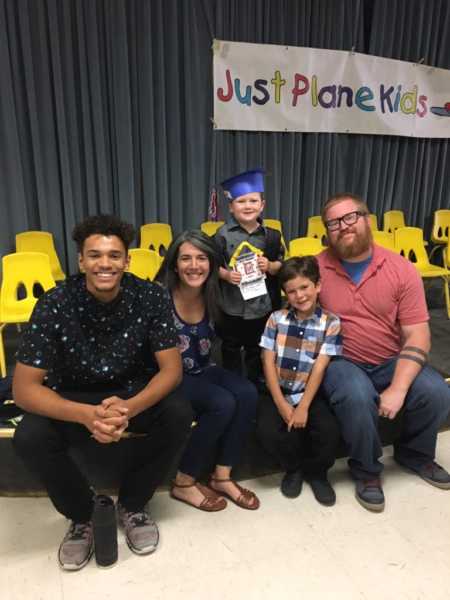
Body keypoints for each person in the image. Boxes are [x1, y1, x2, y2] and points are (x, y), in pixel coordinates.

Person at [13, 215, 192, 571]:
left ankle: (133, 506)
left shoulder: (151, 296)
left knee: (178, 413)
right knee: (28, 436)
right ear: (80, 260)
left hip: (130, 392)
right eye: (95, 255)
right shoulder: (54, 302)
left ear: (127, 260)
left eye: (114, 255)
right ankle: (83, 515)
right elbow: (23, 389)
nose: (105, 263)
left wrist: (129, 406)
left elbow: (172, 370)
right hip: (71, 396)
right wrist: (85, 414)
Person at [317, 193, 450, 512]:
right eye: (334, 223)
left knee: (436, 391)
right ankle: (366, 470)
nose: (343, 227)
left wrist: (399, 388)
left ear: (367, 219)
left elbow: (418, 333)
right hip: (341, 360)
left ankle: (415, 454)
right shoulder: (316, 268)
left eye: (350, 217)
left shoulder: (401, 268)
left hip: (390, 359)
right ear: (327, 231)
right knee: (356, 394)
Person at [156, 230, 260, 511]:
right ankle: (183, 481)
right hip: (169, 375)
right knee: (222, 403)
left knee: (248, 393)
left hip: (203, 367)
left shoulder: (215, 293)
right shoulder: (158, 297)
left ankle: (221, 477)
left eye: (202, 258)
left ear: (212, 263)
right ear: (174, 264)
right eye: (186, 258)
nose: (194, 265)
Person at [257, 256, 342, 505]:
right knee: (268, 431)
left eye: (304, 287)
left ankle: (317, 472)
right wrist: (282, 404)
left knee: (328, 431)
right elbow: (267, 362)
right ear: (285, 294)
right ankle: (293, 469)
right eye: (291, 291)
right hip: (276, 390)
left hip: (310, 392)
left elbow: (320, 366)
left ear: (317, 286)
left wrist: (303, 405)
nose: (299, 295)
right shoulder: (276, 319)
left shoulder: (331, 323)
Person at [214, 168, 285, 385]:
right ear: (231, 207)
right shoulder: (221, 235)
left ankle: (255, 380)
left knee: (257, 346)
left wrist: (270, 265)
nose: (247, 206)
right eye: (241, 201)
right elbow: (211, 264)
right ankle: (232, 381)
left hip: (261, 305)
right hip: (232, 305)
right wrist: (226, 275)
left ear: (262, 205)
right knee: (231, 346)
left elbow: (282, 265)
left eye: (253, 201)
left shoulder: (272, 236)